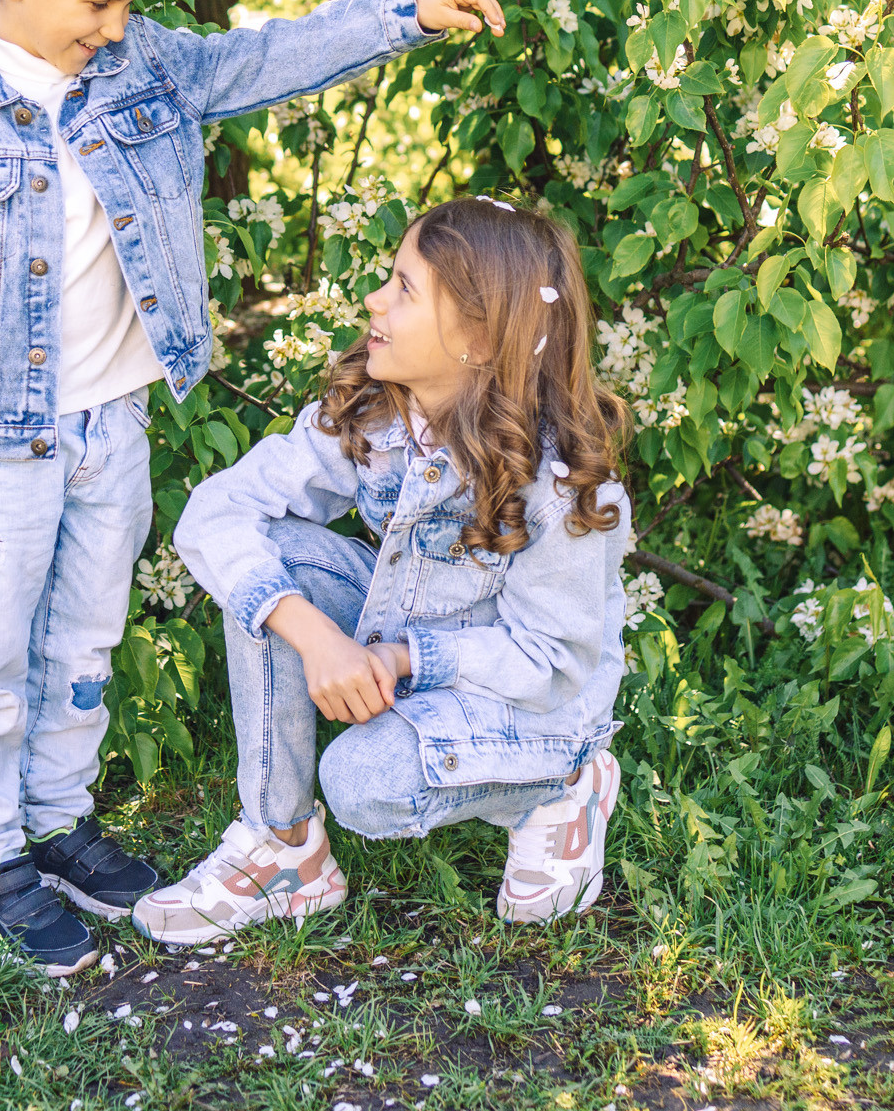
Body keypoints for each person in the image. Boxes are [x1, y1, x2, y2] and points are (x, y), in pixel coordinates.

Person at [0, 0, 505, 975]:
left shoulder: (143, 70)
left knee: (86, 637)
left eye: (126, 5)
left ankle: (55, 824)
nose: (115, 27)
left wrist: (402, 15)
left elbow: (267, 57)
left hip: (112, 426)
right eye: (97, 4)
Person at [133, 197, 633, 945]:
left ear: (478, 337)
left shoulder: (556, 487)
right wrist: (316, 638)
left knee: (363, 783)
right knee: (275, 559)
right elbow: (216, 512)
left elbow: (551, 662)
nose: (373, 299)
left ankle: (562, 786)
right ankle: (284, 849)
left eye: (404, 288)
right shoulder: (379, 416)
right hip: (412, 646)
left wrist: (401, 659)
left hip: (531, 698)